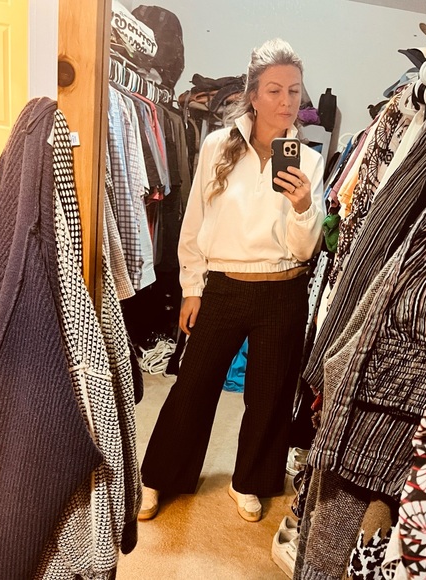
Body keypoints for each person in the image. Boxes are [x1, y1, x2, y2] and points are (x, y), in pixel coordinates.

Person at [139, 38, 325, 523]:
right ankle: (159, 476)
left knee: (269, 396)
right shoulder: (216, 147)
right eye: (274, 90)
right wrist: (191, 288)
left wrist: (303, 206)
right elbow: (194, 223)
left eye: (294, 91)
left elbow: (305, 248)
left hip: (283, 288)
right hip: (223, 286)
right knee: (192, 387)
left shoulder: (307, 161)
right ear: (253, 94)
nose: (286, 101)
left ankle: (249, 482)